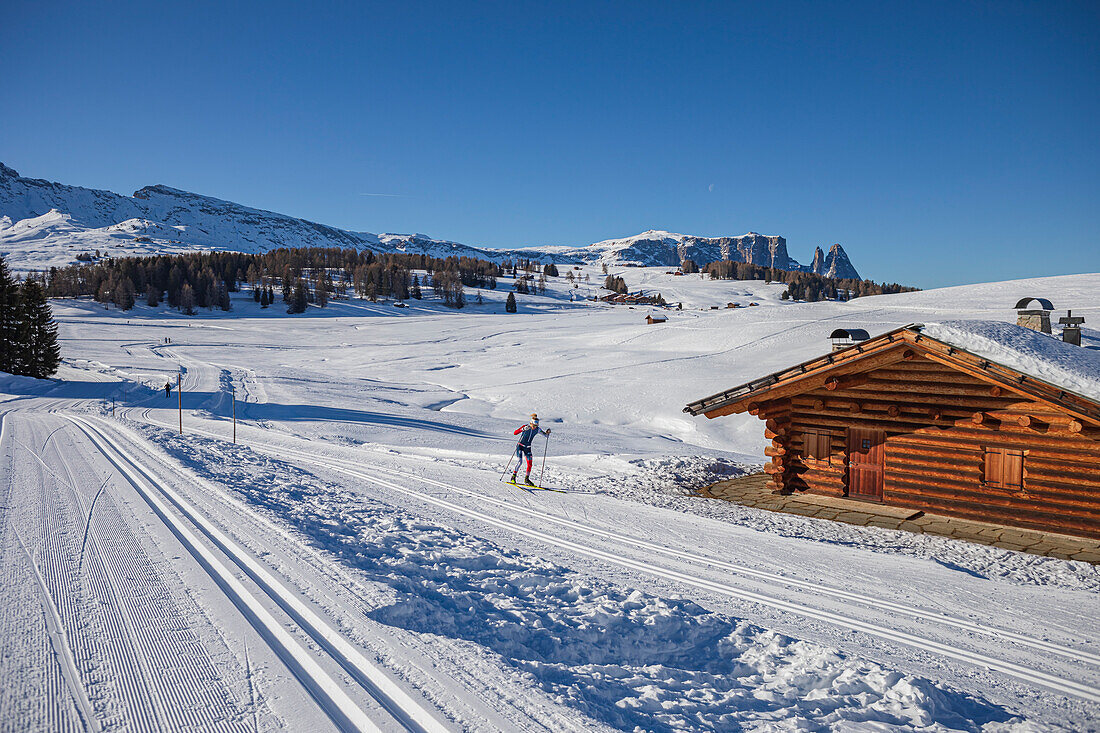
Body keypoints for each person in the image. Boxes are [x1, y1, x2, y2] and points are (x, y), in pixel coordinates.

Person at [511, 413, 550, 485]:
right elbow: (515, 433)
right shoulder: (526, 427)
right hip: (520, 446)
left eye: (536, 426)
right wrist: (522, 429)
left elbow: (545, 435)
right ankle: (513, 477)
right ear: (530, 423)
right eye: (534, 425)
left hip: (528, 448)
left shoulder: (537, 429)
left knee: (530, 464)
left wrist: (547, 433)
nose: (535, 427)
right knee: (520, 462)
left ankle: (527, 479)